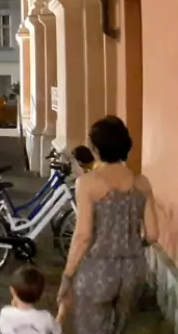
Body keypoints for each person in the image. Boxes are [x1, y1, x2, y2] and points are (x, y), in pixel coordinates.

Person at [58, 116, 158, 334]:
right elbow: (152, 235)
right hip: (133, 270)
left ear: (95, 148)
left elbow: (83, 235)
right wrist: (130, 243)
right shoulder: (142, 183)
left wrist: (67, 275)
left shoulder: (87, 183)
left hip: (98, 270)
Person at [0, 265, 60, 334]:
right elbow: (57, 331)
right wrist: (62, 311)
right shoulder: (46, 318)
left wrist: (12, 307)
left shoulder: (5, 313)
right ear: (41, 294)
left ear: (12, 290)